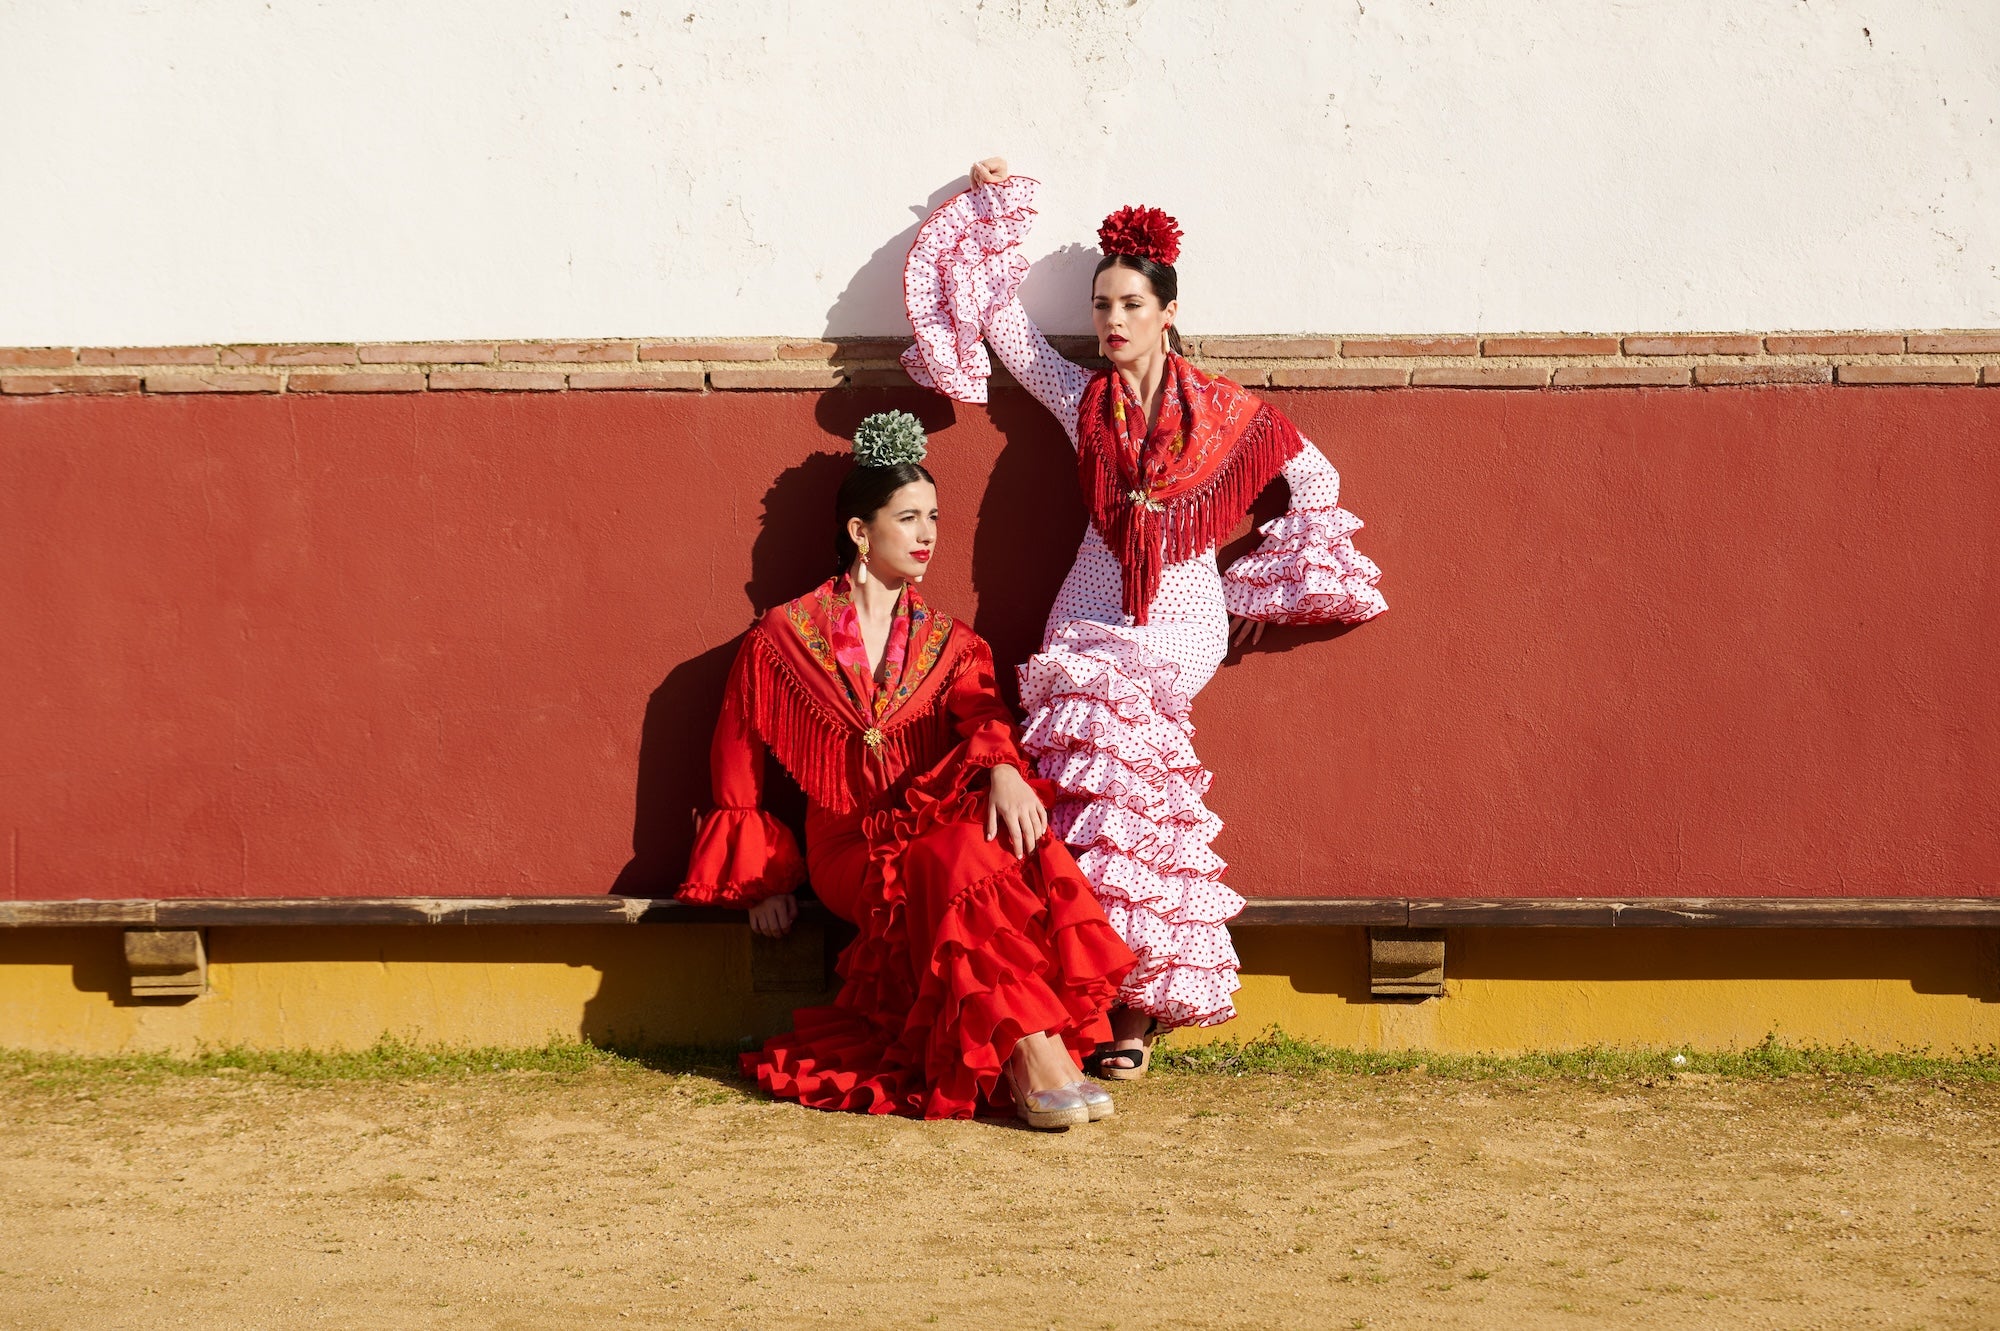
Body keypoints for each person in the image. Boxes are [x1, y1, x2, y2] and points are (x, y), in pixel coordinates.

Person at [900, 160, 1388, 1078]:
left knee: (1137, 808)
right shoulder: (1082, 398)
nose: (1112, 322)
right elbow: (1006, 328)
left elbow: (1314, 481)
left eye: (1129, 305)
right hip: (1085, 609)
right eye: (1100, 307)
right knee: (1082, 808)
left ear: (1167, 311)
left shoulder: (1227, 412)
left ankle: (1138, 1004)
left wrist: (1256, 585)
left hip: (1183, 617)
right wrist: (987, 205)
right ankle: (1087, 999)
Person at [679, 410, 1137, 1129]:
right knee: (959, 854)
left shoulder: (953, 643)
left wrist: (1005, 772)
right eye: (907, 517)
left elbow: (986, 717)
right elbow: (738, 744)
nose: (927, 534)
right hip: (849, 849)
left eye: (933, 516)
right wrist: (761, 880)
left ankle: (1030, 1050)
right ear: (860, 532)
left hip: (933, 832)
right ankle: (1038, 1058)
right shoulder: (783, 635)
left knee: (971, 846)